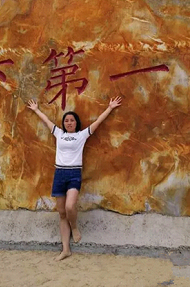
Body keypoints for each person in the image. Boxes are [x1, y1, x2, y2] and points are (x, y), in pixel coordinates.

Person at [27, 96, 122, 261]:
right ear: (63, 123)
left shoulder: (81, 135)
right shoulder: (59, 133)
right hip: (59, 174)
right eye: (66, 121)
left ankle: (75, 227)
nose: (69, 123)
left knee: (70, 207)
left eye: (72, 120)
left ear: (76, 123)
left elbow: (98, 121)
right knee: (61, 212)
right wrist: (36, 110)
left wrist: (110, 107)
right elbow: (47, 121)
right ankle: (66, 249)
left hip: (74, 174)